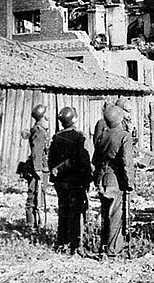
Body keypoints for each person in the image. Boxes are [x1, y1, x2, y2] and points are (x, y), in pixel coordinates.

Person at [92, 105, 135, 257]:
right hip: (115, 179)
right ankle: (113, 250)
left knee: (105, 214)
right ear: (120, 118)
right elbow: (126, 162)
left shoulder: (102, 135)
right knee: (116, 215)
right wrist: (129, 183)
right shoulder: (124, 136)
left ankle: (103, 246)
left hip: (102, 178)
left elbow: (95, 159)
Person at [48, 106, 92, 253]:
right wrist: (87, 180)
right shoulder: (80, 136)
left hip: (61, 182)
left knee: (63, 211)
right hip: (76, 182)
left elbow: (51, 161)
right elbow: (84, 161)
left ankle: (61, 242)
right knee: (76, 213)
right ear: (74, 118)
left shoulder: (56, 137)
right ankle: (75, 245)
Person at [25, 103, 49, 230]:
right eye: (46, 113)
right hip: (37, 169)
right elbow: (37, 152)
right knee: (34, 195)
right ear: (42, 116)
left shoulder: (40, 130)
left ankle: (37, 224)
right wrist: (38, 169)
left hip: (40, 167)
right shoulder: (39, 131)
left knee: (39, 194)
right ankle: (31, 226)